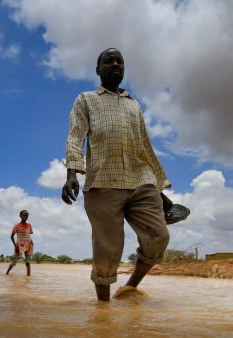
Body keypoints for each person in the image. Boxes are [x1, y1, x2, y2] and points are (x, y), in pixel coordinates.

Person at [62, 48, 171, 301]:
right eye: (108, 61)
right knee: (107, 249)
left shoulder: (134, 105)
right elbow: (75, 136)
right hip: (103, 181)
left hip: (141, 178)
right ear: (97, 69)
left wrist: (158, 186)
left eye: (119, 61)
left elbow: (144, 144)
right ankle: (103, 310)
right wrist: (72, 173)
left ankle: (130, 286)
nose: (115, 64)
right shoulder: (86, 99)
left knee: (159, 236)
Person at [5, 210, 34, 276]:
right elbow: (12, 236)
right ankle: (6, 274)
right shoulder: (17, 226)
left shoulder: (29, 225)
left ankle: (28, 277)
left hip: (28, 244)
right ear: (20, 216)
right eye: (24, 215)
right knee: (14, 260)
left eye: (26, 215)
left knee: (27, 262)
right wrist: (15, 244)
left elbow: (28, 235)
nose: (25, 216)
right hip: (19, 245)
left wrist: (32, 242)